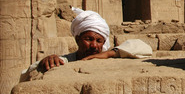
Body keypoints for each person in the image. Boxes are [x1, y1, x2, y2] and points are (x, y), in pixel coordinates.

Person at [20, 8, 152, 81]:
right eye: (89, 39)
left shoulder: (110, 56)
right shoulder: (65, 61)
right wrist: (44, 61)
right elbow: (26, 74)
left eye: (99, 41)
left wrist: (110, 53)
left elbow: (144, 47)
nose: (94, 45)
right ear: (77, 39)